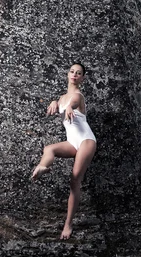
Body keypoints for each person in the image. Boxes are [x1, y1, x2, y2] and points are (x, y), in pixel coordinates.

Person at [31, 63, 97, 240]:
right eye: (72, 72)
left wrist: (70, 107)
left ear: (82, 78)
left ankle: (68, 224)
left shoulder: (78, 96)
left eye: (79, 73)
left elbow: (74, 101)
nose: (75, 75)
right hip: (72, 142)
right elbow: (62, 102)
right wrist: (55, 102)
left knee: (75, 179)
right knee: (49, 148)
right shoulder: (61, 98)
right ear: (68, 75)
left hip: (86, 141)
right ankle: (43, 167)